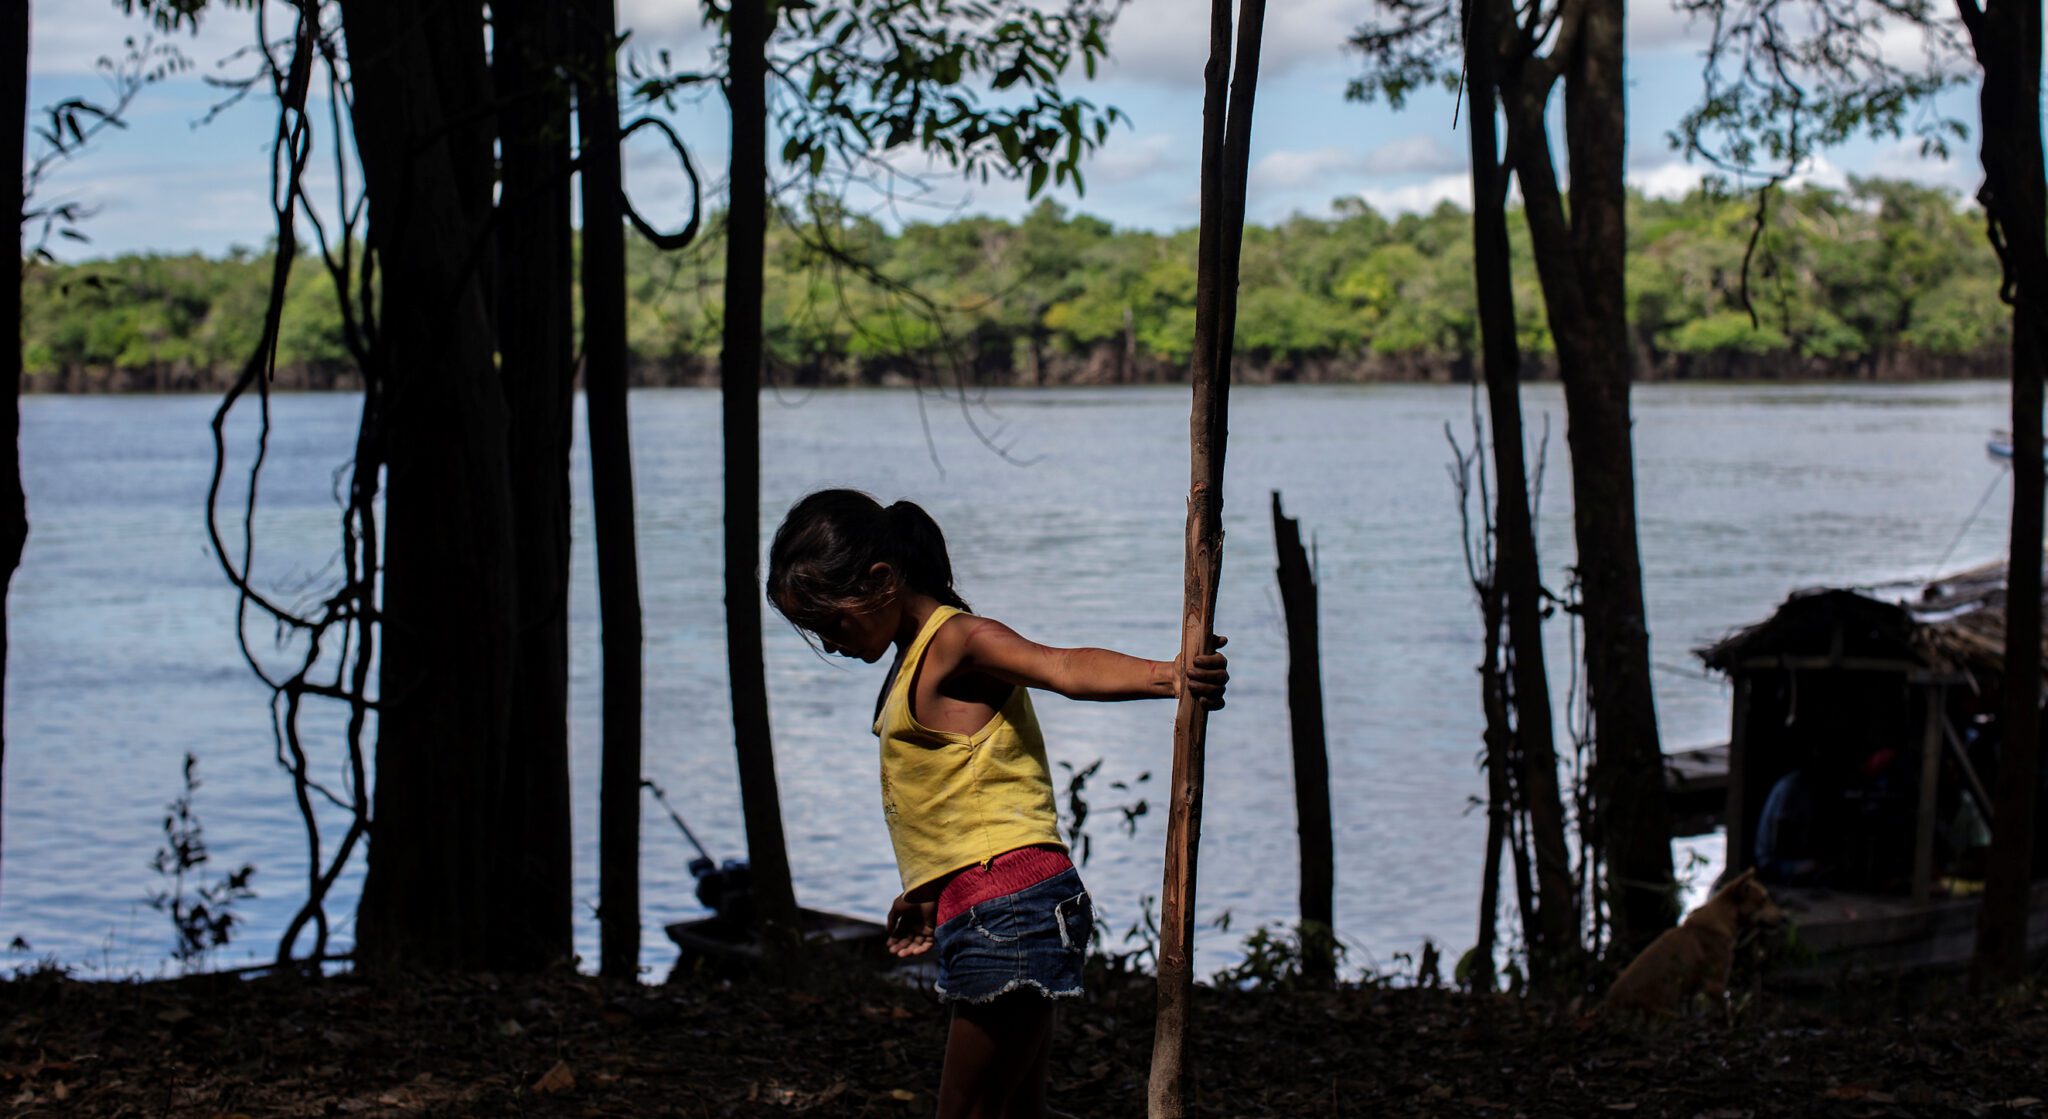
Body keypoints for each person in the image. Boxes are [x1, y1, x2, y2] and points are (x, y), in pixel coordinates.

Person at [766, 489, 1228, 1119]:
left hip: (1011, 911)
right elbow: (956, 800)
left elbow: (1061, 666)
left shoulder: (959, 641)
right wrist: (928, 893)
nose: (832, 643)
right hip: (991, 907)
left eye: (833, 623)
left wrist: (1171, 676)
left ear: (881, 580)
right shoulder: (910, 663)